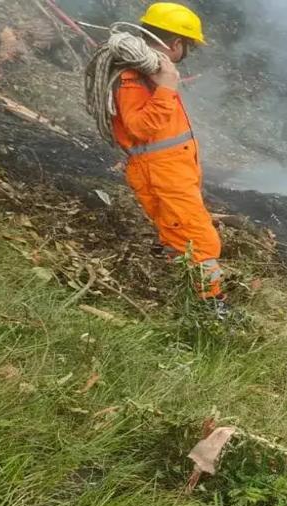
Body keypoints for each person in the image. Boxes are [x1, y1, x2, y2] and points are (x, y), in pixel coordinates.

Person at [113, 3, 224, 308]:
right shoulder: (133, 77)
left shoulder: (151, 72)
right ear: (176, 44)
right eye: (187, 45)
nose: (186, 53)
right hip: (163, 176)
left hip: (173, 173)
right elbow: (138, 127)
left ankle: (187, 296)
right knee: (201, 243)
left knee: (183, 238)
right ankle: (210, 309)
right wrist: (166, 88)